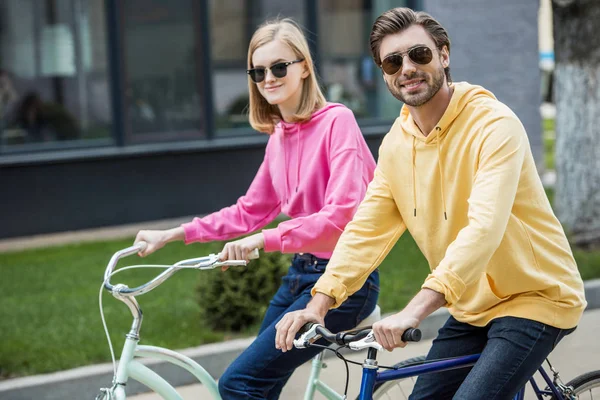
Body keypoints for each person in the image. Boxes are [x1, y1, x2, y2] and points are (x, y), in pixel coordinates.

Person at [274, 7, 587, 400]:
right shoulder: (396, 145)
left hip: (536, 296)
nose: (407, 68)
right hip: (471, 305)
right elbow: (365, 231)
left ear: (443, 55)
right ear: (383, 73)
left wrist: (414, 311)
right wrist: (318, 304)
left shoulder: (493, 125)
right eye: (393, 61)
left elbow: (483, 229)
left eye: (418, 55)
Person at [134, 18, 379, 399]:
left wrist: (262, 242)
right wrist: (173, 234)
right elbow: (250, 210)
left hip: (346, 281)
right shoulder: (280, 135)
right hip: (301, 275)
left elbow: (341, 217)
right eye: (258, 70)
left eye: (279, 67)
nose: (268, 77)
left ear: (304, 67)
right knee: (259, 384)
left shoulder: (337, 121)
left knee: (238, 383)